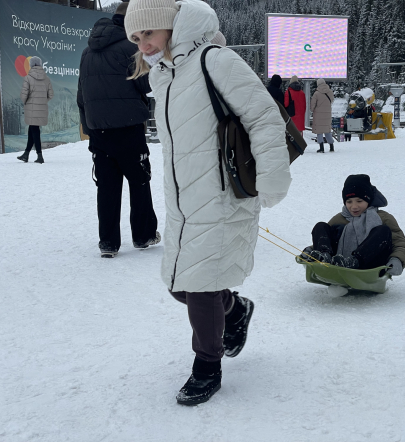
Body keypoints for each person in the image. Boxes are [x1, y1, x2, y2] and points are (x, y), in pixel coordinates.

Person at [125, 0, 291, 405]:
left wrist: (272, 179)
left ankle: (207, 366)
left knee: (198, 288)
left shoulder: (214, 60)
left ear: (170, 25)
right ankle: (234, 311)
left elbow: (264, 118)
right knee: (181, 286)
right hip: (185, 200)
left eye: (148, 32)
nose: (143, 43)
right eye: (135, 37)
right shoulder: (163, 75)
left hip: (221, 195)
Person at [77, 2, 159, 258]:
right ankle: (143, 235)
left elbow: (81, 97)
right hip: (129, 129)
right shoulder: (129, 49)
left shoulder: (86, 53)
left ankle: (108, 242)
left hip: (100, 132)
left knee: (107, 187)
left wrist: (90, 128)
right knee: (139, 180)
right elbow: (146, 86)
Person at [301, 174, 405, 275]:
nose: (354, 206)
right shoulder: (339, 218)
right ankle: (324, 257)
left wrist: (397, 259)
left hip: (371, 266)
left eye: (359, 201)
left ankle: (355, 261)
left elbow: (400, 242)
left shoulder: (383, 217)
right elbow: (326, 240)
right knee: (321, 226)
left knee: (383, 231)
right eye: (349, 202)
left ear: (369, 200)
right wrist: (310, 250)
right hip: (338, 263)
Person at [17, 57, 53, 164]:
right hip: (42, 108)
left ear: (31, 65)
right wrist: (42, 101)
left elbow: (24, 96)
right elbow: (51, 95)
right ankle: (26, 154)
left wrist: (27, 103)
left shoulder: (28, 78)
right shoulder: (46, 79)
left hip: (31, 109)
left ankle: (39, 156)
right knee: (32, 130)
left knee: (35, 131)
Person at [311, 78, 335, 153]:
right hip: (327, 114)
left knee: (319, 131)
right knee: (327, 130)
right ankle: (331, 146)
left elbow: (312, 106)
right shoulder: (330, 92)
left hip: (318, 115)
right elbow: (332, 100)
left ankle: (321, 147)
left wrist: (313, 110)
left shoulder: (316, 93)